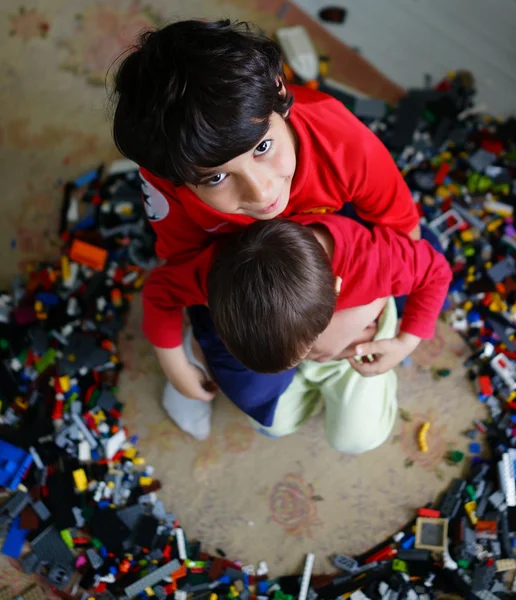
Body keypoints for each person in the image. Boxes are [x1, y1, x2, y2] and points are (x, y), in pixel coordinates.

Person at [111, 19, 442, 440]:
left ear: (281, 94)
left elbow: (402, 231)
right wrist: (175, 359)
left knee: (416, 262)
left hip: (338, 256)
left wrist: (356, 312)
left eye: (263, 148)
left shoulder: (340, 140)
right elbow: (181, 272)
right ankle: (206, 347)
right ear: (174, 179)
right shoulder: (166, 178)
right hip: (240, 275)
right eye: (215, 178)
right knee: (264, 406)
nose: (262, 192)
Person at [204, 214, 451, 452]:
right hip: (292, 346)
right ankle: (308, 376)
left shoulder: (374, 259)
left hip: (357, 352)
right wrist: (176, 362)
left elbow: (437, 272)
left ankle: (351, 385)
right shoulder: (229, 272)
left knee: (356, 439)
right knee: (270, 423)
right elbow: (166, 290)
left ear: (336, 289)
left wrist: (405, 344)